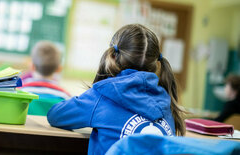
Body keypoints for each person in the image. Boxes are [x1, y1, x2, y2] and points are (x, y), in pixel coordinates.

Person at [47, 24, 185, 154]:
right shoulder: (166, 100)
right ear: (157, 63)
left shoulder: (102, 95)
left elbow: (55, 115)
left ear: (113, 56)